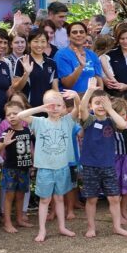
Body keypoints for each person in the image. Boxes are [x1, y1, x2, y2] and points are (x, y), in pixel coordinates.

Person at [19, 89, 81, 242]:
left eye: (58, 105)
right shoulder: (39, 122)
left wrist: (77, 98)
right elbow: (20, 116)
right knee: (45, 200)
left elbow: (79, 110)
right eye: (50, 105)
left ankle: (62, 227)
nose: (54, 108)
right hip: (45, 169)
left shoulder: (67, 121)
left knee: (59, 198)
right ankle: (42, 230)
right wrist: (40, 108)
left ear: (64, 108)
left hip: (62, 168)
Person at [77, 80, 127, 237]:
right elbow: (82, 108)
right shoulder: (89, 121)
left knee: (114, 198)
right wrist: (89, 92)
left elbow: (123, 124)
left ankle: (117, 227)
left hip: (108, 166)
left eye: (104, 103)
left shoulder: (111, 121)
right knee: (92, 199)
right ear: (91, 106)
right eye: (97, 103)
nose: (101, 106)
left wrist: (110, 109)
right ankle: (91, 227)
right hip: (90, 166)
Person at [0, 101, 33, 232]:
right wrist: (4, 143)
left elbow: (31, 149)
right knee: (9, 195)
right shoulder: (7, 132)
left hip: (24, 169)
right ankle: (7, 222)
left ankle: (20, 219)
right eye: (8, 114)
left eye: (15, 113)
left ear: (23, 113)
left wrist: (33, 163)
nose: (11, 116)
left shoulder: (28, 130)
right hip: (10, 169)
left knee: (21, 195)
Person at [11, 29, 59, 108]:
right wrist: (26, 74)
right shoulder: (22, 61)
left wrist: (58, 105)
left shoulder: (52, 63)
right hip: (28, 109)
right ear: (29, 43)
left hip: (47, 108)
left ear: (47, 43)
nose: (39, 45)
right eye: (36, 41)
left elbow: (55, 88)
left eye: (43, 41)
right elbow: (16, 88)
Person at [54, 21, 102, 92]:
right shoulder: (62, 54)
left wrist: (101, 95)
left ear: (86, 35)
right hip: (71, 100)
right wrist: (81, 66)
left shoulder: (92, 55)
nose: (78, 34)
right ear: (68, 36)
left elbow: (98, 80)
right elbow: (67, 84)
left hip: (91, 98)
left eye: (81, 32)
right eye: (74, 32)